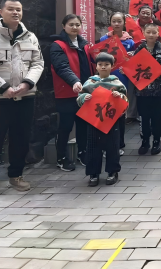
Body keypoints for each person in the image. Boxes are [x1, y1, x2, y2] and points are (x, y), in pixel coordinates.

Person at [0, 0, 44, 201]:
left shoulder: (30, 37)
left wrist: (27, 84)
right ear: (1, 11)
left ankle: (16, 175)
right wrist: (3, 87)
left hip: (25, 96)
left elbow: (38, 63)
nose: (15, 13)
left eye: (18, 9)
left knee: (21, 138)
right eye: (11, 9)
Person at [50, 14, 93, 171]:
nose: (75, 27)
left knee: (83, 125)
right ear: (63, 26)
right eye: (71, 24)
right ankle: (61, 157)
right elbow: (61, 67)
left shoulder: (85, 45)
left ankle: (82, 153)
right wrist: (74, 81)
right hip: (67, 93)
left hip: (85, 92)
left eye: (77, 24)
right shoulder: (57, 45)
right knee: (66, 126)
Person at [77, 53, 127, 187]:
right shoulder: (89, 82)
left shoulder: (117, 83)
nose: (103, 67)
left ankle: (112, 171)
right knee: (93, 146)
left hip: (111, 120)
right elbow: (80, 97)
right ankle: (93, 173)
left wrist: (119, 95)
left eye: (106, 64)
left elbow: (125, 100)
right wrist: (85, 97)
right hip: (94, 120)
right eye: (100, 64)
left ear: (112, 66)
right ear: (96, 66)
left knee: (113, 146)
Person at [101, 12, 136, 155]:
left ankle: (119, 143)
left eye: (119, 21)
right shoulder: (104, 39)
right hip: (106, 78)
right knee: (107, 110)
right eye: (114, 21)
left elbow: (134, 63)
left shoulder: (130, 42)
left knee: (121, 111)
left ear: (124, 23)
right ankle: (107, 143)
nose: (116, 24)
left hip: (123, 78)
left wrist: (131, 58)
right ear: (110, 22)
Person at [132, 24, 161, 155]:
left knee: (157, 116)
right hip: (142, 91)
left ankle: (157, 141)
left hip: (159, 90)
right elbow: (133, 67)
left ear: (158, 33)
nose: (151, 35)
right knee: (144, 117)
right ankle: (145, 140)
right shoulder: (139, 49)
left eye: (154, 32)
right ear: (143, 33)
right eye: (148, 32)